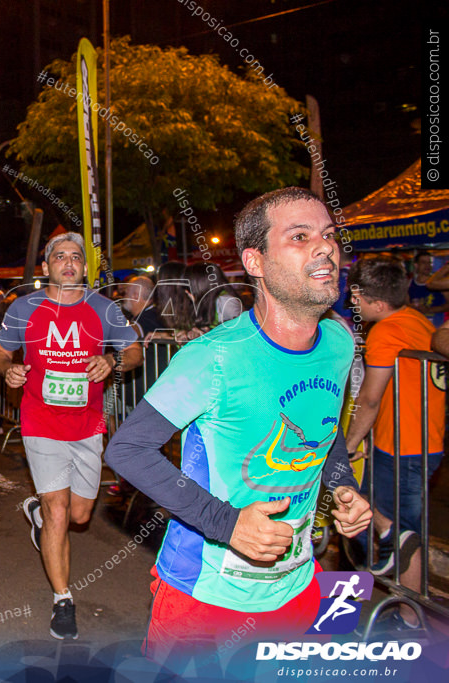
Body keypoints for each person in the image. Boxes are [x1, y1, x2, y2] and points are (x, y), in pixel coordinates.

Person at [104, 187, 372, 662]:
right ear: (256, 261)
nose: (325, 246)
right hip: (206, 596)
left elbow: (324, 435)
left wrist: (343, 485)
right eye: (300, 235)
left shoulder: (339, 341)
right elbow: (127, 450)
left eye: (328, 234)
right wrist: (227, 524)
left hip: (301, 586)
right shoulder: (212, 357)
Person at [0, 232, 142, 640]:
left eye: (76, 257)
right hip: (40, 421)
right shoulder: (24, 307)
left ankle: (39, 517)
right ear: (47, 267)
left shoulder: (104, 308)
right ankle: (62, 600)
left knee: (78, 515)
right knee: (59, 510)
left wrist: (112, 360)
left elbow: (135, 351)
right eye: (60, 256)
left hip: (88, 425)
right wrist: (8, 370)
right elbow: (1, 352)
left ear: (85, 268)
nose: (69, 262)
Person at [344, 256, 445, 630]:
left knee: (405, 536)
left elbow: (370, 397)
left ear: (378, 303)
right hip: (408, 444)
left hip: (405, 449)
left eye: (357, 297)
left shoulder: (385, 331)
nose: (353, 304)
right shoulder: (417, 320)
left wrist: (350, 442)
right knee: (366, 513)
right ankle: (368, 597)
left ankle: (408, 620)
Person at [408, 251, 449, 326]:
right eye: (423, 262)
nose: (427, 265)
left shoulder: (437, 283)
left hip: (436, 325)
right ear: (416, 265)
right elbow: (404, 304)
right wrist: (411, 306)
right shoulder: (409, 284)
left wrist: (429, 310)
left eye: (429, 263)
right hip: (417, 324)